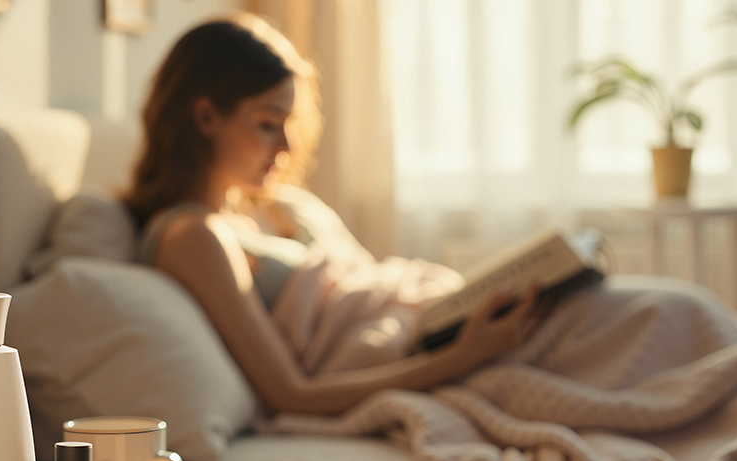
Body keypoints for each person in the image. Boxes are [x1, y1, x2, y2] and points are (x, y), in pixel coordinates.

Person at [123, 13, 547, 416]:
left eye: (289, 123)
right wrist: (466, 355)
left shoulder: (282, 205)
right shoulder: (192, 234)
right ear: (205, 117)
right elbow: (291, 394)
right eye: (268, 123)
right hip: (424, 349)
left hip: (429, 316)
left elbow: (367, 283)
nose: (288, 146)